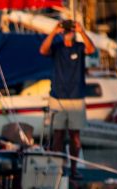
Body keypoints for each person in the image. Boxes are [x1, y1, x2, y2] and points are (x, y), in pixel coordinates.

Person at [39, 19, 95, 178]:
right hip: (58, 96)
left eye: (70, 30)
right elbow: (43, 50)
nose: (68, 32)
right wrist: (54, 31)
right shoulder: (57, 48)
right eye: (66, 30)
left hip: (76, 96)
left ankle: (74, 169)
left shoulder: (79, 46)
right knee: (57, 135)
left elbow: (91, 49)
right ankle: (58, 168)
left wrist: (81, 31)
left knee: (75, 136)